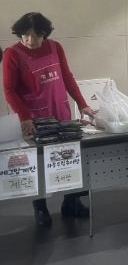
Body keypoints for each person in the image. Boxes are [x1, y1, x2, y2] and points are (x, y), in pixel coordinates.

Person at [2, 13, 96, 227]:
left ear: (45, 34)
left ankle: (71, 202)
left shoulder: (55, 47)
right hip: (34, 118)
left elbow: (67, 77)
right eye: (25, 35)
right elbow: (9, 89)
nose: (30, 40)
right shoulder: (12, 54)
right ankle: (40, 207)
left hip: (60, 112)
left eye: (36, 36)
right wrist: (24, 117)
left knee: (68, 158)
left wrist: (82, 103)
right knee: (38, 163)